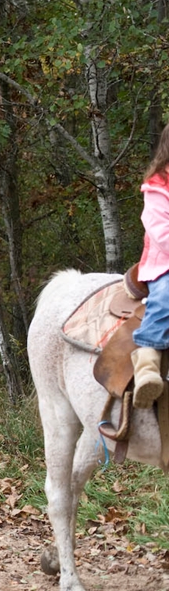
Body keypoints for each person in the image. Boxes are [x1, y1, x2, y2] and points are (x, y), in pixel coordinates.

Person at [131, 124, 169, 409]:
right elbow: (160, 231)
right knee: (166, 296)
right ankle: (147, 362)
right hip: (164, 262)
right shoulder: (157, 186)